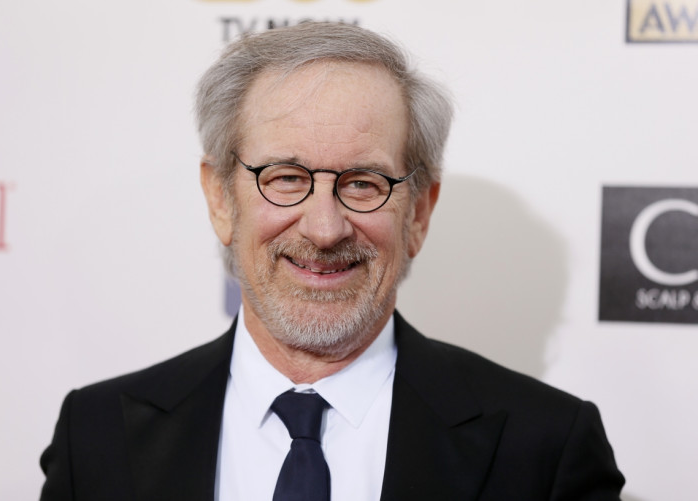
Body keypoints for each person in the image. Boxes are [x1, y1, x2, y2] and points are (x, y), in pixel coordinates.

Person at [39, 22, 624, 500]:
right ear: (221, 198)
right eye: (285, 178)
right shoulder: (96, 436)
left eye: (365, 183)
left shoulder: (546, 448)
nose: (324, 229)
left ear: (418, 213)